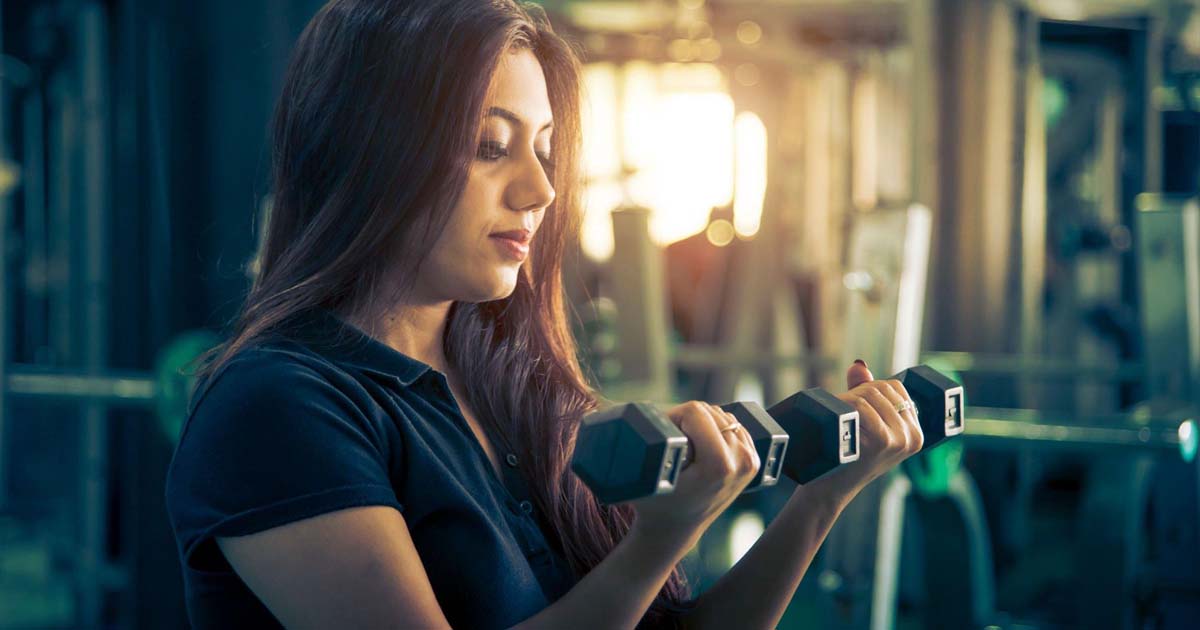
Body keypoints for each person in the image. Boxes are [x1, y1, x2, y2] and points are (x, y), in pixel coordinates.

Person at [164, 1, 924, 628]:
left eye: (546, 150)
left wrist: (821, 498)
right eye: (492, 146)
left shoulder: (508, 383)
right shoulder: (276, 409)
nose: (540, 189)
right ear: (372, 151)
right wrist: (660, 537)